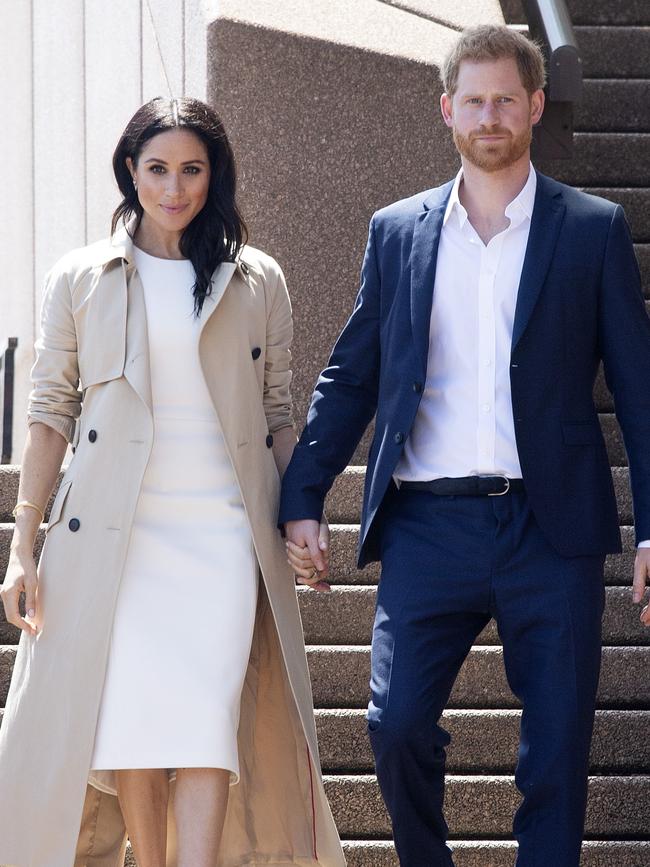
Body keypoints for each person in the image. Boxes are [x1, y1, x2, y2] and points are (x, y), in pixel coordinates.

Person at [280, 24, 650, 867]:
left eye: (506, 100)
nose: (490, 116)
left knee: (556, 743)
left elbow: (639, 389)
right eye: (474, 100)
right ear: (447, 108)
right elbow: (352, 374)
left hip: (549, 527)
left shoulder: (592, 229)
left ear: (536, 107)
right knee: (395, 721)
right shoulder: (399, 232)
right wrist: (304, 492)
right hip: (427, 522)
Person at [0, 97, 344, 867]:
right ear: (131, 170)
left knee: (200, 724)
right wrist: (23, 547)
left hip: (221, 536)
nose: (174, 187)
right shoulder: (80, 277)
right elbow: (50, 413)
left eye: (192, 169)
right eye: (157, 168)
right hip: (113, 539)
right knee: (127, 723)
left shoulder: (257, 279)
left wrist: (302, 511)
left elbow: (278, 413)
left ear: (213, 174)